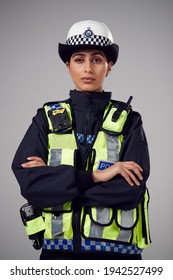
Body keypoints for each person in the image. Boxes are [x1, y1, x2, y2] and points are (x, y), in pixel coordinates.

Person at [12, 20, 151, 260]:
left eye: (97, 59)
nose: (88, 68)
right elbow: (30, 185)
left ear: (109, 66)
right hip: (57, 259)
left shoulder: (130, 121)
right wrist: (96, 177)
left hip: (118, 261)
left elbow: (130, 192)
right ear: (68, 66)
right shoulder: (45, 119)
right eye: (79, 59)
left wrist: (58, 187)